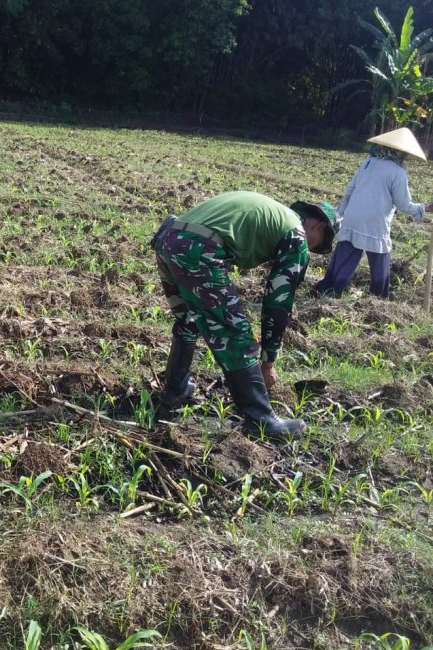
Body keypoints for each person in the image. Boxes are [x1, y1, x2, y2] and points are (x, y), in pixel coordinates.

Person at [151, 191, 336, 438]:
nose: (310, 250)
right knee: (236, 334)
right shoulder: (296, 234)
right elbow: (278, 304)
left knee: (189, 319)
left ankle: (176, 388)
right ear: (319, 226)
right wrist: (268, 362)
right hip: (198, 248)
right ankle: (261, 420)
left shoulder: (274, 213)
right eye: (316, 245)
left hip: (169, 239)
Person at [315, 127, 433, 299]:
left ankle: (329, 291)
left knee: (344, 256)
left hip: (353, 217)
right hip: (375, 222)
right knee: (380, 261)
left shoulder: (368, 163)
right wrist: (425, 208)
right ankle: (379, 297)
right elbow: (403, 204)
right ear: (401, 152)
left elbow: (350, 191)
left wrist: (340, 213)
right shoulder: (398, 172)